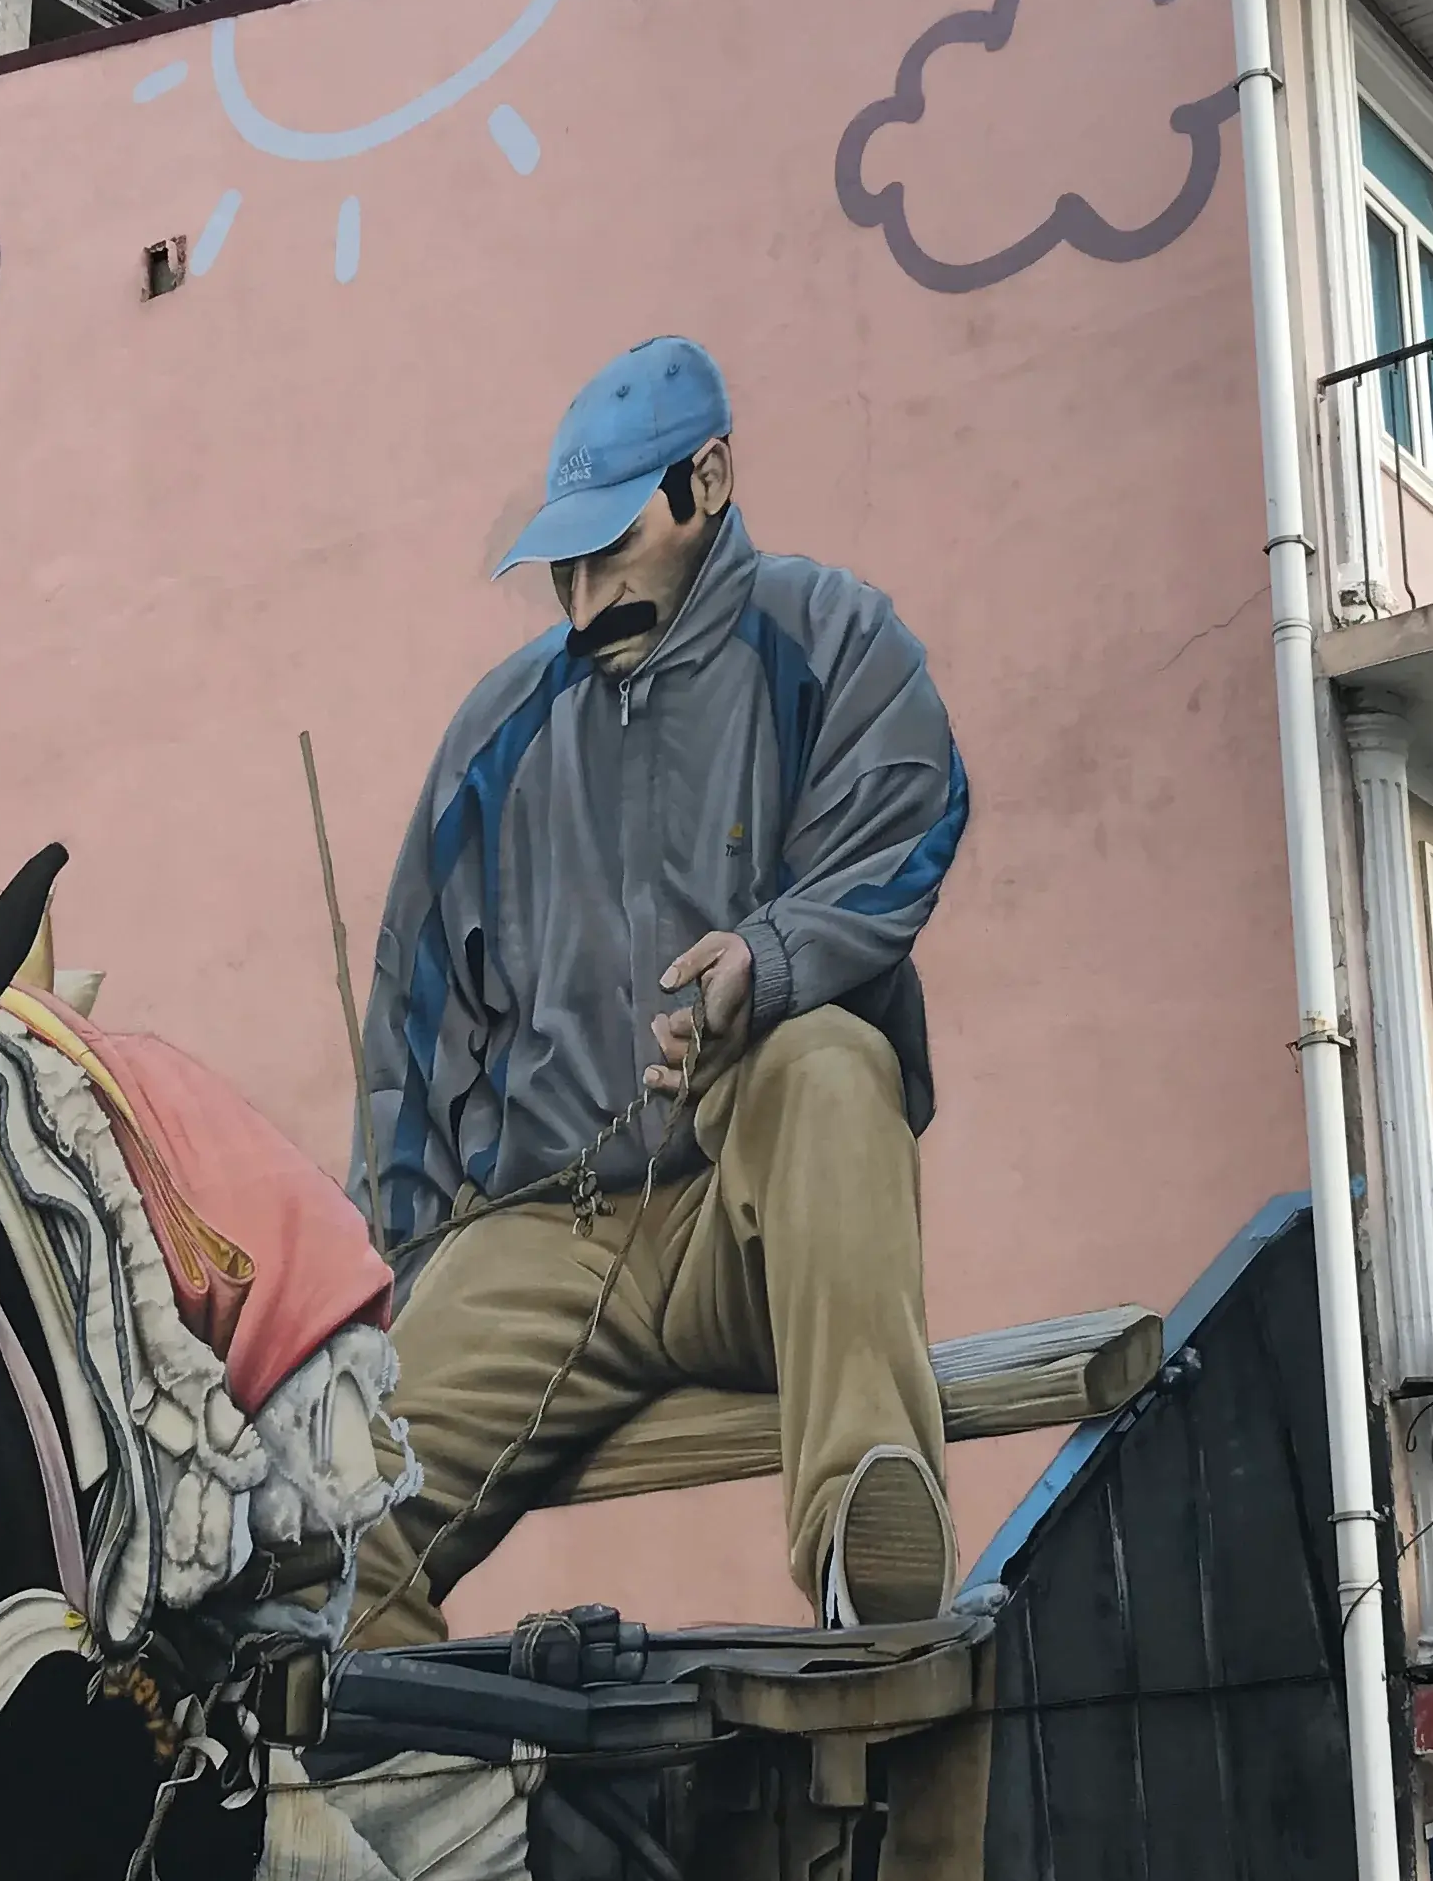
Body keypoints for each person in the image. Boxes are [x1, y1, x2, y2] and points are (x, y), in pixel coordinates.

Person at [349, 332, 969, 1647]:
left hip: (761, 1223)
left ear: (711, 478)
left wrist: (770, 961)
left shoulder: (836, 639)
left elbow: (907, 822)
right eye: (562, 559)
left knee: (833, 1065)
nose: (582, 594)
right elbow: (416, 1025)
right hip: (549, 1233)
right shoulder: (495, 736)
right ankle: (438, 1808)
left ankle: (871, 1532)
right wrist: (380, 1285)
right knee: (325, 1525)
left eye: (608, 543)